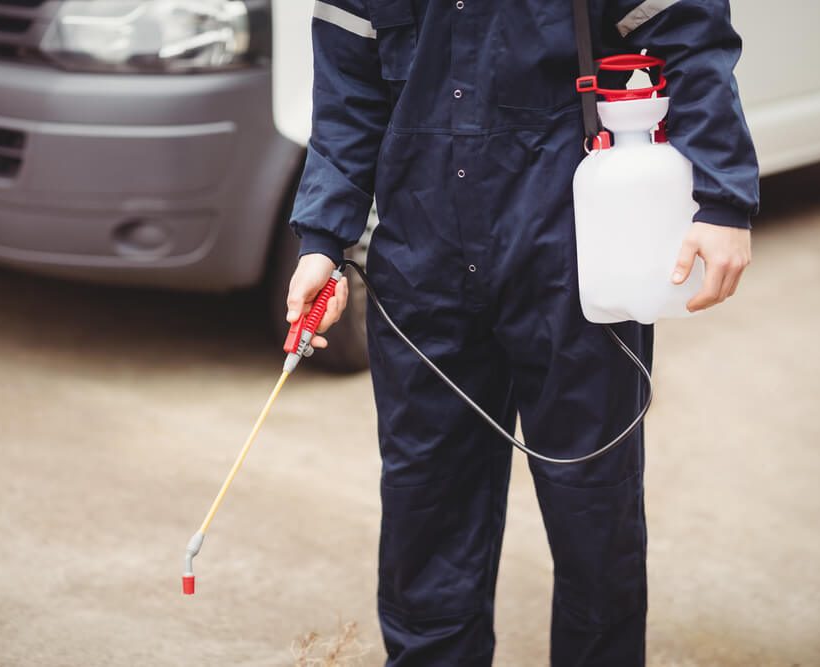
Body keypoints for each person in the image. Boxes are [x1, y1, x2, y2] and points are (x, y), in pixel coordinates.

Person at [285, 0, 757, 664]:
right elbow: (348, 93)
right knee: (427, 512)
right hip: (422, 271)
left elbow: (687, 33)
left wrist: (723, 197)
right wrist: (322, 242)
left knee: (595, 517)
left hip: (576, 258)